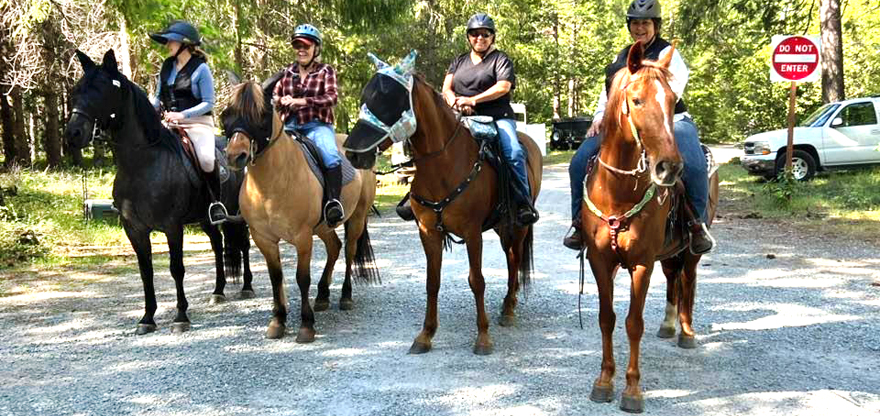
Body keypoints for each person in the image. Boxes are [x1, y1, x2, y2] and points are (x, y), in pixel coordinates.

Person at [563, 0, 715, 254]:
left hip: (670, 121)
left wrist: (649, 114)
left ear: (655, 25)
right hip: (623, 124)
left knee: (695, 164)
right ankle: (579, 223)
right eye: (636, 23)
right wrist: (600, 116)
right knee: (578, 162)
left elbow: (671, 94)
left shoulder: (669, 54)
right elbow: (608, 93)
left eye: (645, 23)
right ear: (629, 26)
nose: (640, 28)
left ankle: (696, 225)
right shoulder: (622, 57)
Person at [442, 13, 538, 226]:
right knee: (437, 144)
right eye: (475, 34)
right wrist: (453, 101)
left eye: (485, 34)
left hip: (497, 117)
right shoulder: (459, 61)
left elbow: (503, 87)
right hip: (462, 117)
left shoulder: (500, 59)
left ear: (492, 37)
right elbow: (447, 88)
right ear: (468, 37)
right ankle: (419, 198)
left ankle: (523, 201)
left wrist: (472, 100)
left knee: (513, 151)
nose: (480, 38)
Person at [150, 20, 227, 224]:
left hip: (198, 123)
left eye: (171, 41)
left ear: (184, 43)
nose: (167, 45)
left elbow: (209, 102)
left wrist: (183, 115)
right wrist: (151, 110)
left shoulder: (201, 69)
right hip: (169, 123)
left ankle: (215, 204)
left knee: (206, 160)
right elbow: (158, 96)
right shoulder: (167, 66)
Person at [272, 24, 344, 227]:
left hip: (316, 124)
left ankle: (333, 202)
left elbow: (332, 97)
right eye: (297, 45)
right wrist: (280, 100)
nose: (301, 49)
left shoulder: (325, 71)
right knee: (266, 153)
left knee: (330, 154)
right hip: (289, 126)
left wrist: (302, 102)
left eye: (306, 45)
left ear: (316, 49)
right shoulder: (286, 72)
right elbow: (273, 96)